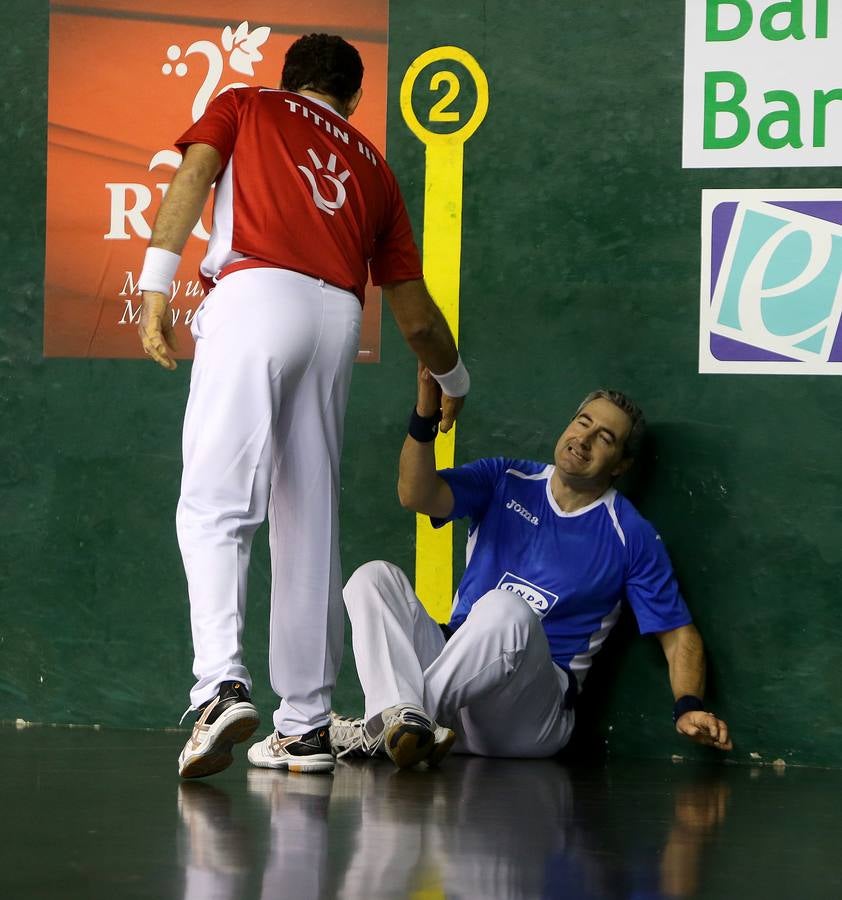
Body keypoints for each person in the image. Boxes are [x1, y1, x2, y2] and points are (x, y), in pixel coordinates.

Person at [135, 34, 470, 779]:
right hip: (335, 323)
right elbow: (416, 318)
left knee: (217, 504)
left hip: (255, 296)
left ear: (287, 78)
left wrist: (155, 282)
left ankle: (221, 685)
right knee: (305, 521)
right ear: (353, 99)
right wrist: (455, 382)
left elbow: (196, 171)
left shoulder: (245, 103)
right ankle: (306, 726)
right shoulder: (375, 166)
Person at [330, 367, 732, 768]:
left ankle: (386, 728)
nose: (584, 440)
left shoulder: (631, 535)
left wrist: (688, 706)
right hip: (456, 687)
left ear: (621, 464)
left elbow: (679, 637)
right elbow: (415, 494)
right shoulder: (506, 478)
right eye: (582, 423)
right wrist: (423, 417)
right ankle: (404, 723)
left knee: (506, 609)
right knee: (373, 577)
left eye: (604, 439)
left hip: (529, 714)